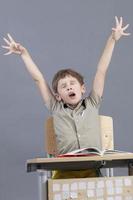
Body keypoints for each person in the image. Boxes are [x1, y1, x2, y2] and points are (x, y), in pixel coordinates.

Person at [2, 16, 130, 178]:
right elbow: (39, 79)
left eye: (72, 83)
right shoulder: (56, 108)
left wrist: (112, 39)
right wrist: (24, 54)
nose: (69, 86)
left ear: (82, 88)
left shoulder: (92, 103)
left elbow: (101, 70)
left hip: (92, 169)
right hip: (63, 171)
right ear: (58, 96)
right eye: (64, 86)